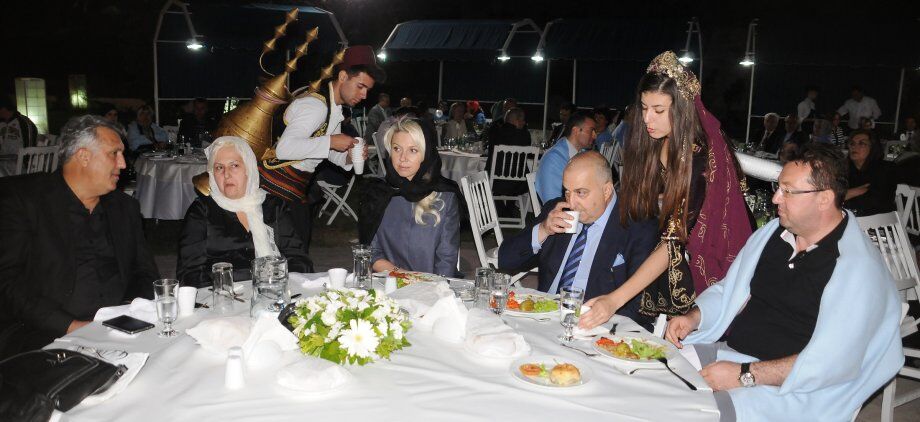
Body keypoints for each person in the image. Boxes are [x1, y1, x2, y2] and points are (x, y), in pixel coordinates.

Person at [665, 143, 902, 421]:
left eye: (788, 191)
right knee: (654, 372)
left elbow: (831, 363)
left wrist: (744, 375)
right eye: (778, 188)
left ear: (824, 198)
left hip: (792, 389)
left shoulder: (856, 269)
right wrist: (694, 317)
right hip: (734, 356)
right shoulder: (773, 235)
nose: (776, 198)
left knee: (690, 414)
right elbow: (730, 289)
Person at [579, 51, 752, 327]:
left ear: (681, 109)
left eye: (659, 110)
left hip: (703, 250)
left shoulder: (698, 160)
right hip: (673, 235)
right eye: (644, 108)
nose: (648, 119)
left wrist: (614, 300)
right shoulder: (661, 140)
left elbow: (673, 241)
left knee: (641, 264)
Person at [0, 115, 160, 359]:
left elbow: (144, 271)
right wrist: (73, 327)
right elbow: (8, 282)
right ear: (84, 156)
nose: (123, 164)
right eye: (114, 154)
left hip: (121, 328)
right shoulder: (23, 201)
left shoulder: (125, 207)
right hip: (48, 333)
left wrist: (130, 313)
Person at [498, 152, 658, 325]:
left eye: (581, 193)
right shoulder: (558, 211)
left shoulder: (638, 227)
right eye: (567, 192)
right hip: (544, 316)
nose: (572, 203)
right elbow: (506, 260)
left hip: (594, 325)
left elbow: (641, 308)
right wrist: (543, 229)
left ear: (606, 190)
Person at [259, 45, 380, 254]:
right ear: (343, 76)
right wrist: (331, 141)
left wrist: (350, 157)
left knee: (295, 255)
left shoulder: (334, 108)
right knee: (288, 258)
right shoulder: (316, 106)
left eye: (367, 89)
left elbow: (330, 153)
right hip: (276, 193)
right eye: (360, 86)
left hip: (294, 192)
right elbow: (285, 149)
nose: (364, 95)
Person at [177, 136, 311, 286]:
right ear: (212, 173)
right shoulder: (201, 210)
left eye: (234, 165)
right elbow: (189, 272)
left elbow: (298, 259)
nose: (226, 174)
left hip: (273, 290)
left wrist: (279, 284)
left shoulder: (274, 206)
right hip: (221, 294)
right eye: (219, 167)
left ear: (248, 169)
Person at [357, 117, 460, 277]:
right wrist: (406, 277)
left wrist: (430, 286)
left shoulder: (445, 195)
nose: (402, 158)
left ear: (426, 154)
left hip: (432, 285)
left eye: (413, 150)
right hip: (388, 281)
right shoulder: (378, 193)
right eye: (397, 149)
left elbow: (446, 259)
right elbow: (371, 252)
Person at [534, 112, 596, 203]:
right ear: (575, 131)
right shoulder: (553, 159)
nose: (595, 136)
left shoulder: (581, 153)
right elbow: (553, 201)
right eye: (591, 131)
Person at [843, 129, 897, 216]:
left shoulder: (885, 169)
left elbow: (877, 201)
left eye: (862, 143)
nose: (855, 147)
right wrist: (853, 192)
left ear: (873, 148)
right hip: (848, 217)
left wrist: (843, 195)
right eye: (852, 143)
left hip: (879, 220)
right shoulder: (844, 169)